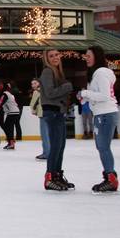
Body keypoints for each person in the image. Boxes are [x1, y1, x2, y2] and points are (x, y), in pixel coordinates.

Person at [79, 46, 120, 193]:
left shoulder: (101, 73)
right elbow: (97, 95)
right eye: (85, 56)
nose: (86, 58)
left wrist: (85, 92)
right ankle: (110, 176)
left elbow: (104, 95)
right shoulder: (96, 74)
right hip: (103, 113)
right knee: (102, 147)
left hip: (105, 114)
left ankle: (110, 179)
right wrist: (85, 98)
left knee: (103, 147)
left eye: (89, 55)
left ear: (97, 56)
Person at [39, 49, 74, 191]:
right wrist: (67, 87)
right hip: (52, 112)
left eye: (56, 55)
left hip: (58, 112)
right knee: (55, 146)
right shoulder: (48, 71)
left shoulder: (58, 72)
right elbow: (50, 92)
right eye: (51, 56)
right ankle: (50, 177)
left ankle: (57, 174)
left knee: (60, 145)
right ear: (47, 59)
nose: (55, 58)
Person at [28, 78, 47, 161]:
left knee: (45, 135)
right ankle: (49, 152)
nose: (33, 85)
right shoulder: (46, 90)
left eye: (35, 83)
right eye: (32, 84)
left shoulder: (36, 92)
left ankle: (46, 153)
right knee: (48, 135)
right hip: (49, 113)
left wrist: (34, 111)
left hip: (42, 114)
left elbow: (32, 104)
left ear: (39, 83)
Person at [0, 83, 20, 150]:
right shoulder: (11, 94)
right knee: (8, 127)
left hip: (12, 113)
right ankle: (11, 141)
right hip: (16, 112)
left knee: (7, 127)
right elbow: (15, 103)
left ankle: (11, 143)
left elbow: (0, 102)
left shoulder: (5, 94)